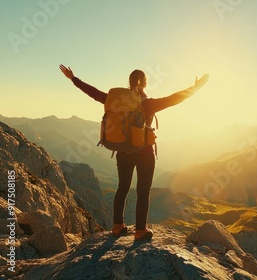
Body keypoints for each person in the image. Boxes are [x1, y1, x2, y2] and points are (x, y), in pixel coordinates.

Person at [59, 64, 209, 240]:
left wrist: (73, 78)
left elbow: (93, 93)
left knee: (122, 187)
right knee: (143, 191)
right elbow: (174, 98)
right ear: (144, 84)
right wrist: (196, 88)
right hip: (145, 153)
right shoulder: (149, 104)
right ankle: (140, 231)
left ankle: (117, 226)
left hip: (123, 151)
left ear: (129, 83)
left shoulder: (114, 101)